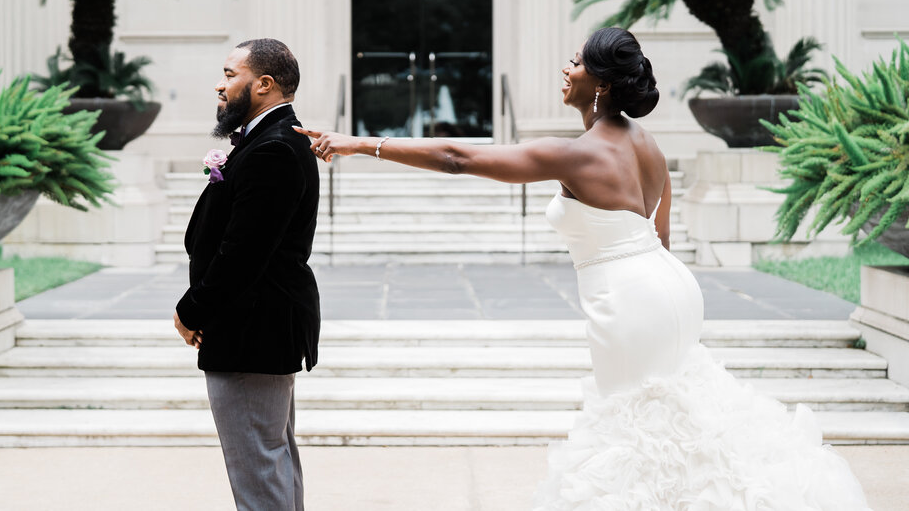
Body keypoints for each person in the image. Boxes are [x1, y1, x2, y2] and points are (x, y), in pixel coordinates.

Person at [294, 27, 870, 510]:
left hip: (629, 302)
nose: (565, 69)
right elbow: (659, 236)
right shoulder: (646, 145)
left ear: (600, 83)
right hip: (670, 288)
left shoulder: (580, 153)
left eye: (575, 62)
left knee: (635, 431)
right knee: (676, 417)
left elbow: (457, 157)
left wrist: (355, 144)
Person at [175, 38, 319, 511]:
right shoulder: (269, 139)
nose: (220, 84)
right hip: (259, 327)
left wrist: (191, 310)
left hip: (252, 329)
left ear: (264, 84)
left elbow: (244, 253)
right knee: (272, 459)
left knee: (259, 468)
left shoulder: (273, 148)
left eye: (229, 74)